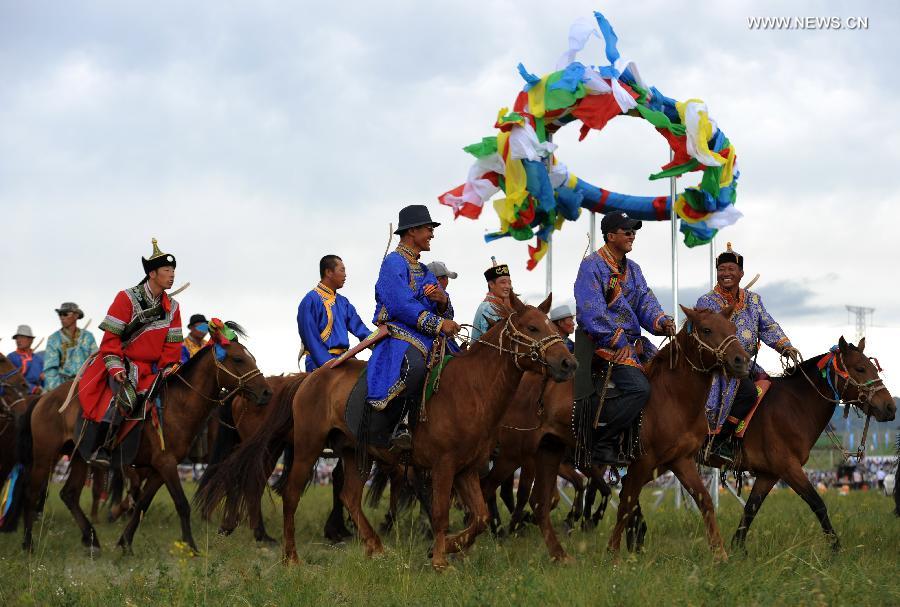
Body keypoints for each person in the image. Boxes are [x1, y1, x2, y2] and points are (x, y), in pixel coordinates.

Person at [574, 211, 675, 465]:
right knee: (639, 388)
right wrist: (617, 340)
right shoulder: (591, 266)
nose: (632, 235)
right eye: (626, 231)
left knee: (671, 374)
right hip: (602, 343)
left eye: (633, 231)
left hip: (633, 343)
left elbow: (644, 301)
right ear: (610, 236)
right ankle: (604, 442)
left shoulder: (634, 269)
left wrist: (661, 321)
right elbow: (590, 311)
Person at [78, 238, 184, 467]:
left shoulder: (173, 307)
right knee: (124, 397)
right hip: (121, 360)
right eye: (167, 270)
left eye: (173, 270)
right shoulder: (126, 297)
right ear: (152, 274)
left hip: (151, 369)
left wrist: (167, 367)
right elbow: (111, 340)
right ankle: (102, 448)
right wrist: (115, 367)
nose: (172, 275)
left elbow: (172, 345)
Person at [695, 242, 800, 464]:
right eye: (721, 270)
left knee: (769, 389)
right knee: (748, 393)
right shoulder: (707, 301)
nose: (726, 274)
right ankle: (719, 441)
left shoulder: (753, 300)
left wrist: (784, 345)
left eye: (731, 269)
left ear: (741, 273)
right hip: (719, 365)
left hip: (745, 364)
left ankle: (754, 441)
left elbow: (768, 325)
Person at [367, 205, 459, 450]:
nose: (432, 234)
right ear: (412, 231)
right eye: (428, 229)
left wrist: (442, 302)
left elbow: (441, 306)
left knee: (459, 362)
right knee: (416, 366)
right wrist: (439, 322)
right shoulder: (393, 263)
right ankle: (401, 423)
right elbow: (400, 304)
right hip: (398, 330)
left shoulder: (424, 269)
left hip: (426, 332)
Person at [297, 255, 372, 372]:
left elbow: (361, 329)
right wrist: (328, 364)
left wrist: (379, 343)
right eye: (342, 270)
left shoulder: (344, 302)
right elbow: (310, 338)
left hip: (345, 360)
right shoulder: (310, 300)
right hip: (319, 364)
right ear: (328, 272)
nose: (345, 275)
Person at [43, 302, 98, 391]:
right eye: (60, 314)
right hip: (61, 385)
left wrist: (90, 382)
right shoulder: (53, 339)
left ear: (76, 316)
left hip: (86, 383)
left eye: (65, 314)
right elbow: (50, 369)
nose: (62, 317)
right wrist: (59, 389)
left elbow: (96, 361)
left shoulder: (88, 336)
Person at [470, 258, 512, 341]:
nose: (507, 286)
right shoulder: (487, 307)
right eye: (503, 282)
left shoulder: (502, 304)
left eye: (509, 283)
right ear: (491, 284)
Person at [8, 325, 44, 394]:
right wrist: (33, 389)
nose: (18, 341)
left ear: (30, 340)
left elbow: (44, 381)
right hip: (19, 395)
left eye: (21, 337)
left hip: (39, 394)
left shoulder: (38, 359)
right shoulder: (11, 357)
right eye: (17, 338)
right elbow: (11, 380)